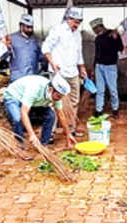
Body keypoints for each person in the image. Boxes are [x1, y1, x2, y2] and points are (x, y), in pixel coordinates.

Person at [42, 7, 88, 136]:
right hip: (59, 72)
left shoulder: (77, 34)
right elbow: (45, 47)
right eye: (75, 22)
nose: (77, 25)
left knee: (74, 101)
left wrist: (82, 68)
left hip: (73, 72)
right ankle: (50, 132)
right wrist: (52, 63)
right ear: (69, 19)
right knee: (55, 101)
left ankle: (71, 128)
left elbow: (79, 53)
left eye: (79, 22)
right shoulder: (58, 30)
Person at [3, 75, 77, 148]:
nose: (59, 99)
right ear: (50, 90)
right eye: (58, 96)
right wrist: (32, 134)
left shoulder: (57, 96)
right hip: (14, 97)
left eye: (61, 97)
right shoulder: (35, 89)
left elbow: (61, 115)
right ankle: (20, 143)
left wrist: (68, 134)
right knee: (18, 118)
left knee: (50, 116)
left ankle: (44, 144)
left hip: (32, 102)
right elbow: (24, 112)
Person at [90, 18, 123, 119]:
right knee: (100, 89)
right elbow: (97, 54)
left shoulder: (113, 34)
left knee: (112, 89)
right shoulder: (98, 38)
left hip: (110, 66)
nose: (94, 31)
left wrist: (116, 38)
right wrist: (93, 67)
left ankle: (115, 109)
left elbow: (120, 48)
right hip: (99, 66)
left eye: (95, 29)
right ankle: (99, 110)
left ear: (100, 26)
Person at [2, 14, 44, 82]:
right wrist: (7, 48)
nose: (30, 30)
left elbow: (41, 58)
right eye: (28, 27)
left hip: (33, 78)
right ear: (21, 25)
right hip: (17, 79)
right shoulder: (11, 38)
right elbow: (3, 57)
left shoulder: (35, 40)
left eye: (31, 27)